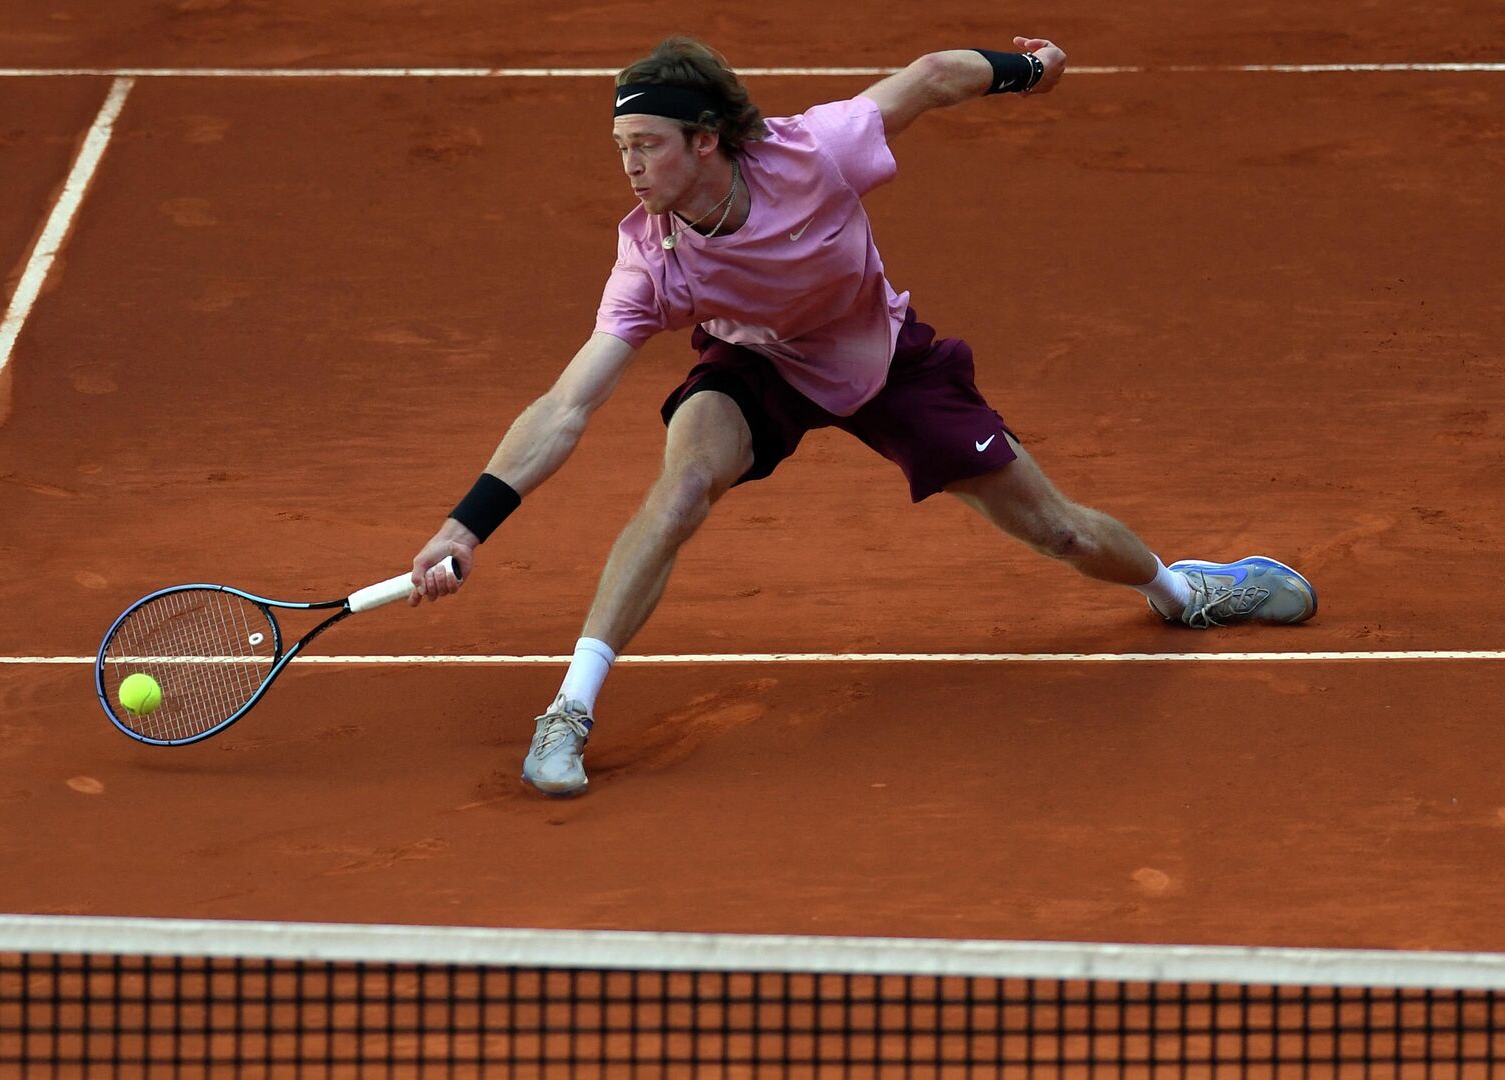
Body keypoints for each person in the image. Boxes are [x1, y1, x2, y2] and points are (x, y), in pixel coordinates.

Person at [405, 36, 1316, 798]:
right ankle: (568, 710)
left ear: (708, 139)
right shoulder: (652, 259)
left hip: (880, 360)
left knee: (1061, 533)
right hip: (757, 364)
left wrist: (1027, 69)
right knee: (681, 489)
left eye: (647, 144)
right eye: (621, 148)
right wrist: (467, 523)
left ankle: (1185, 594)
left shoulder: (817, 152)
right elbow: (569, 404)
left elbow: (927, 79)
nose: (631, 166)